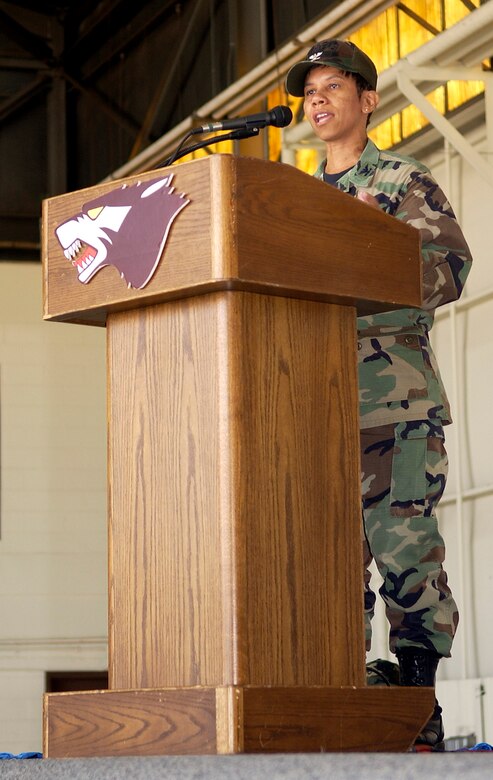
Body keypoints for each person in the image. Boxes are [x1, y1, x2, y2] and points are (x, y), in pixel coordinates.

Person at [286, 39, 473, 751]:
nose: (319, 100)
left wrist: (370, 247)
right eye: (310, 92)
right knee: (328, 567)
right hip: (308, 407)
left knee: (403, 553)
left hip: (391, 404)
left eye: (334, 86)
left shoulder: (399, 180)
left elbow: (448, 268)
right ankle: (351, 700)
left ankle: (418, 706)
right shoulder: (292, 199)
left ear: (367, 101)